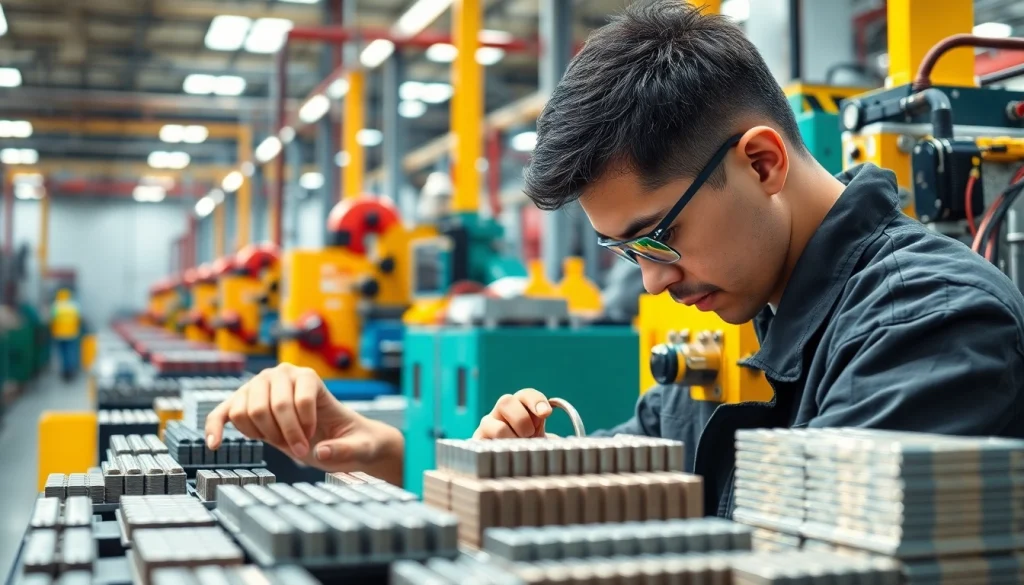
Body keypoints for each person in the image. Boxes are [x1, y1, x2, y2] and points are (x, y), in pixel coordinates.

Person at [206, 0, 1024, 517]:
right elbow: (627, 468)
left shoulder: (932, 319)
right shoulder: (746, 317)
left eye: (656, 236)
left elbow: (824, 555)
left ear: (763, 163)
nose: (653, 279)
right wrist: (394, 453)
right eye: (624, 250)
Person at [50, 288, 82, 381]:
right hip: (72, 333)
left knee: (62, 353)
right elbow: (79, 319)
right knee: (71, 352)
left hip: (59, 334)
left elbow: (52, 319)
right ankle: (71, 370)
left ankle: (64, 371)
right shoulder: (74, 305)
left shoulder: (56, 305)